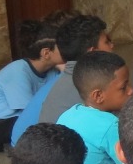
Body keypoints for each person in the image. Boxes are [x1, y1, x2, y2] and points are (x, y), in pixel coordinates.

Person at [10, 15, 114, 144]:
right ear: (92, 51)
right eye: (107, 42)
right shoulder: (90, 83)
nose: (112, 46)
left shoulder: (65, 78)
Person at [0, 19, 62, 153]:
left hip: (20, 121)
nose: (66, 51)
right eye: (61, 48)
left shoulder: (53, 71)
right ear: (46, 53)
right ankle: (17, 145)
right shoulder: (18, 71)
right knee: (37, 120)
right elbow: (29, 114)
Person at [57, 51, 133, 164]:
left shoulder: (68, 114)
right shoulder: (110, 125)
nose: (131, 90)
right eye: (123, 88)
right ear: (98, 96)